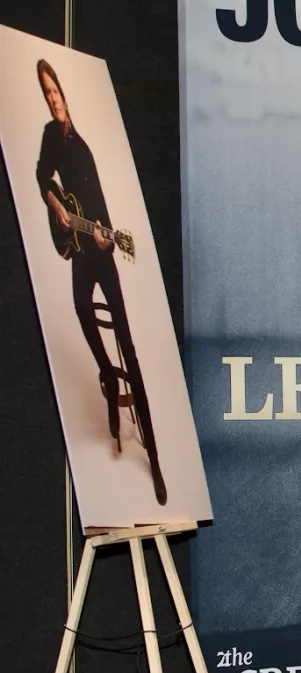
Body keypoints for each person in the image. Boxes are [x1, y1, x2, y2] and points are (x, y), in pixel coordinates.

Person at [34, 59, 166, 505]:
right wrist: (57, 207)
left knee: (127, 339)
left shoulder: (81, 140)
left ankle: (157, 462)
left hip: (101, 244)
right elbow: (40, 177)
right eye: (47, 94)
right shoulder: (52, 137)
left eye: (57, 93)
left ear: (66, 96)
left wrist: (107, 234)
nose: (54, 100)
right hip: (79, 245)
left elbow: (98, 196)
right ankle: (109, 378)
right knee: (79, 307)